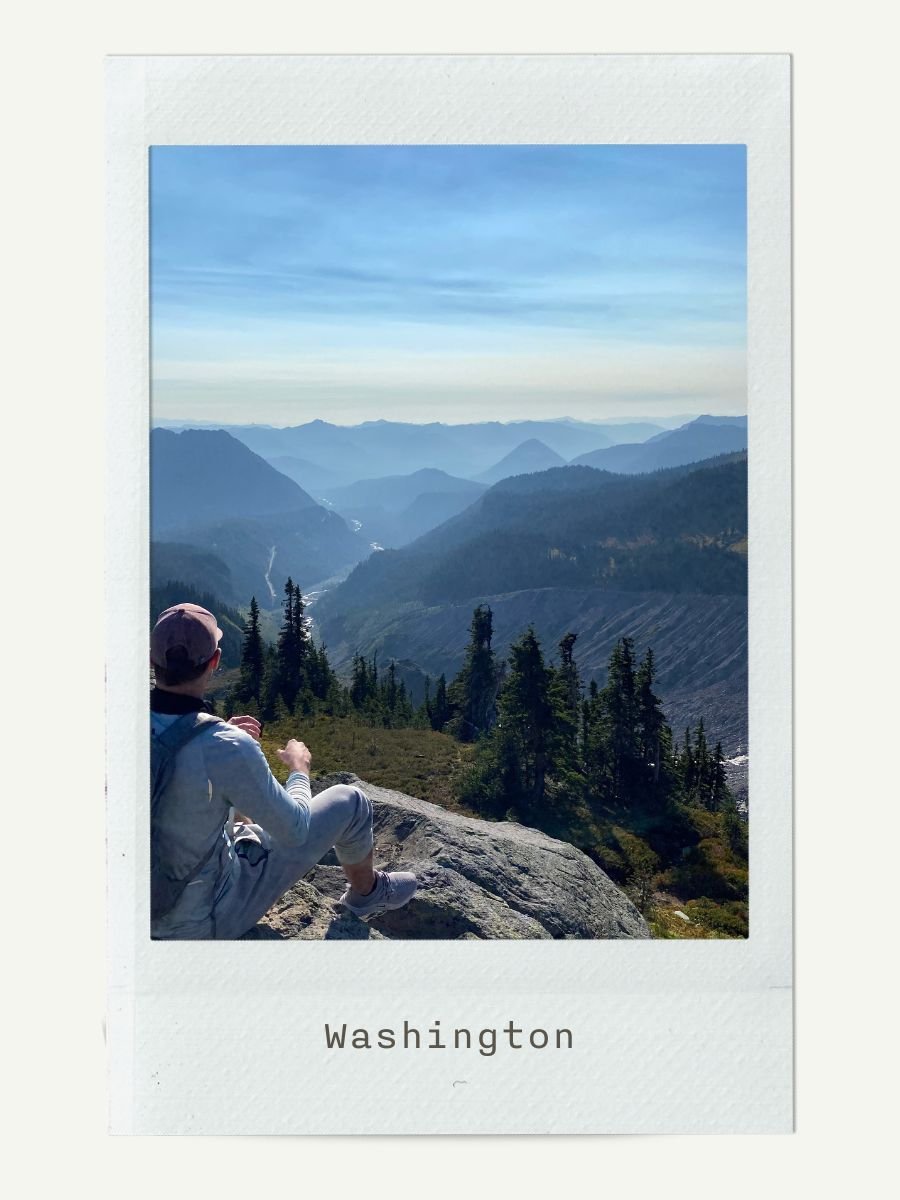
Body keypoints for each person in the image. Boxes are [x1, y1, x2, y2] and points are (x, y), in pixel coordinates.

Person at [149, 601, 417, 939]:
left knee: (235, 808)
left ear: (151, 660)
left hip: (135, 916)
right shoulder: (226, 748)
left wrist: (211, 735)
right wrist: (299, 770)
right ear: (215, 661)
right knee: (351, 801)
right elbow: (296, 830)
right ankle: (369, 893)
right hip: (202, 922)